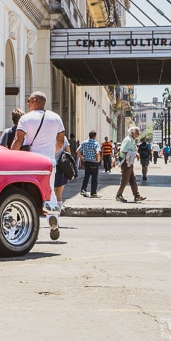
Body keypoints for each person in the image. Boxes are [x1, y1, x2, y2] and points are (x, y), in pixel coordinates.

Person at [10, 91, 65, 240]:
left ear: (34, 101)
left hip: (29, 162)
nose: (27, 103)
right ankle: (53, 220)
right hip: (48, 162)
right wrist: (51, 154)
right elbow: (60, 141)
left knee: (24, 193)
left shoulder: (25, 118)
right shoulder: (56, 118)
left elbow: (18, 140)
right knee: (50, 192)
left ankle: (23, 226)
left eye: (28, 100)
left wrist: (11, 157)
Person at [115, 126, 146, 203]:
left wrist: (135, 153)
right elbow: (124, 151)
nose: (138, 134)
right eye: (137, 133)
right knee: (125, 179)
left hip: (129, 161)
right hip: (126, 161)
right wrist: (135, 154)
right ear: (132, 133)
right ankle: (119, 195)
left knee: (132, 179)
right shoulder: (128, 140)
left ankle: (137, 195)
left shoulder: (132, 140)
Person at [78, 130, 102, 197]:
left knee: (86, 177)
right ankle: (93, 193)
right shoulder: (96, 143)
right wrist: (98, 160)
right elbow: (97, 152)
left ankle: (83, 190)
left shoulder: (84, 143)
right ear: (94, 136)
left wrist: (82, 157)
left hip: (87, 162)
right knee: (94, 178)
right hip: (94, 163)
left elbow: (77, 151)